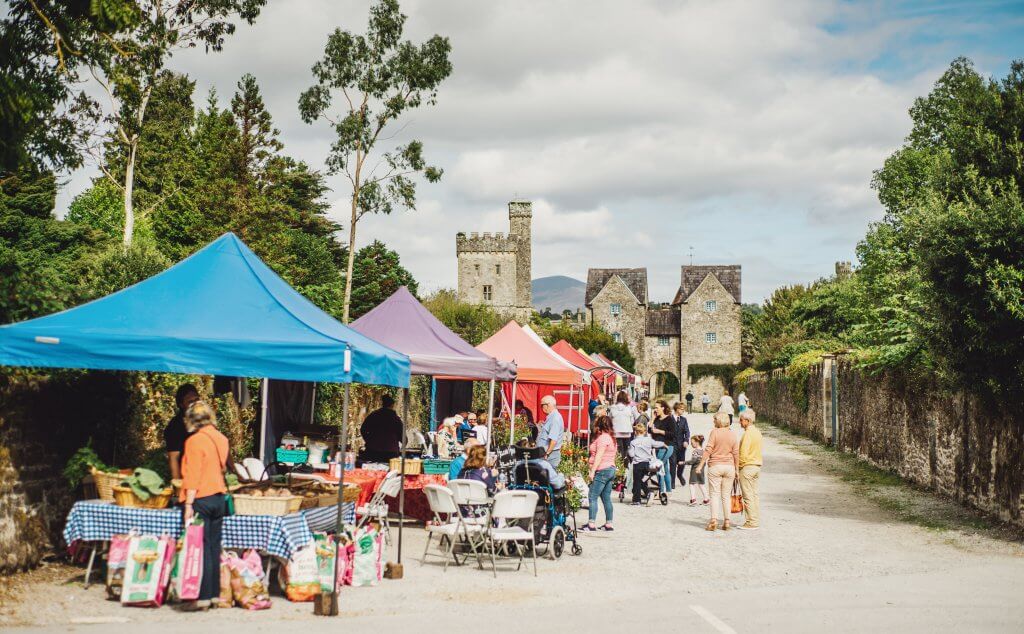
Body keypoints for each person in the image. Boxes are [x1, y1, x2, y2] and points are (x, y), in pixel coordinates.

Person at [178, 401, 228, 611]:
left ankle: (203, 597)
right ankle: (215, 595)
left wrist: (189, 504)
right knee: (214, 547)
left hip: (202, 498)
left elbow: (193, 475)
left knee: (203, 548)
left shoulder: (194, 441)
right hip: (219, 498)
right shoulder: (221, 438)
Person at [696, 412, 739, 531]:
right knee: (726, 495)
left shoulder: (714, 432)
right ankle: (727, 522)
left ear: (719, 421)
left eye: (715, 419)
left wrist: (700, 465)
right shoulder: (732, 434)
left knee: (714, 494)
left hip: (715, 466)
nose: (713, 422)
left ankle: (714, 521)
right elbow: (736, 452)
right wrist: (736, 469)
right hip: (729, 467)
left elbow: (708, 449)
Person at [582, 416, 616, 532]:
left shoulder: (603, 438)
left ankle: (591, 524)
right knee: (606, 498)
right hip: (610, 468)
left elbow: (599, 456)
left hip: (602, 470)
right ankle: (609, 523)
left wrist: (592, 472)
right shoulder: (611, 438)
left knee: (592, 496)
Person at [164, 384, 200, 482]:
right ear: (181, 404)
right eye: (190, 401)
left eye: (197, 400)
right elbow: (173, 457)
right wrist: (178, 486)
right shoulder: (175, 426)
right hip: (189, 479)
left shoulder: (203, 420)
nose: (195, 404)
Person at [736, 409, 763, 531]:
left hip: (747, 467)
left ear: (747, 421)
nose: (739, 422)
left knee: (747, 496)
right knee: (754, 495)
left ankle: (751, 522)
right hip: (756, 466)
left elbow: (743, 453)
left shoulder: (747, 434)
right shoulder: (757, 432)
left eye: (741, 420)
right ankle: (755, 519)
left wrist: (738, 468)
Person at [359, 394, 404, 464]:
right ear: (392, 405)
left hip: (372, 452)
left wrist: (369, 441)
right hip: (391, 454)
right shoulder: (396, 419)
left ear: (382, 404)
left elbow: (363, 430)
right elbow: (403, 439)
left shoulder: (373, 415)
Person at [627, 422, 665, 505]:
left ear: (636, 432)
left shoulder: (633, 442)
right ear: (644, 432)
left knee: (637, 482)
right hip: (646, 463)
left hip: (638, 464)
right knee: (642, 480)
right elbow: (656, 444)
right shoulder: (648, 440)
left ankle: (637, 500)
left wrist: (629, 450)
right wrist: (663, 444)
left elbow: (631, 454)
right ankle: (649, 493)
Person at [649, 400, 676, 494]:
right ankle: (668, 491)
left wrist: (660, 431)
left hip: (666, 447)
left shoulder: (669, 419)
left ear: (663, 408)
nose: (655, 409)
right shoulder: (656, 419)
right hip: (657, 446)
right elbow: (649, 430)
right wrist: (652, 418)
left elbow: (673, 434)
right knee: (665, 468)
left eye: (657, 407)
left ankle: (661, 491)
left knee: (658, 467)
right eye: (654, 407)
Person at [536, 395, 565, 467]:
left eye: (542, 405)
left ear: (547, 405)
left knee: (547, 476)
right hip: (547, 454)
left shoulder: (555, 418)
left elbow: (553, 440)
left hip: (549, 456)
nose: (541, 407)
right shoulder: (552, 416)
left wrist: (547, 453)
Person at [683, 435, 708, 506]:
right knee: (701, 484)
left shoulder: (695, 451)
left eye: (692, 442)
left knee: (692, 484)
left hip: (694, 469)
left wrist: (684, 462)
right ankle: (706, 499)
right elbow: (704, 461)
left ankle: (693, 499)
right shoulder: (703, 451)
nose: (691, 444)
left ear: (697, 442)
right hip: (701, 469)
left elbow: (692, 461)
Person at [609, 391, 634, 459]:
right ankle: (625, 463)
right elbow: (632, 420)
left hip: (616, 431)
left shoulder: (613, 407)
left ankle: (619, 464)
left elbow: (610, 418)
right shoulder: (628, 407)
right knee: (626, 449)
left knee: (618, 449)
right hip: (627, 431)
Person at [672, 402, 691, 486]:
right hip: (672, 445)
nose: (683, 411)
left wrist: (686, 440)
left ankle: (679, 475)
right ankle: (672, 482)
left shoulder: (684, 419)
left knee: (681, 463)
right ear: (677, 409)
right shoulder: (670, 418)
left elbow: (687, 431)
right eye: (682, 409)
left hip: (682, 445)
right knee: (672, 463)